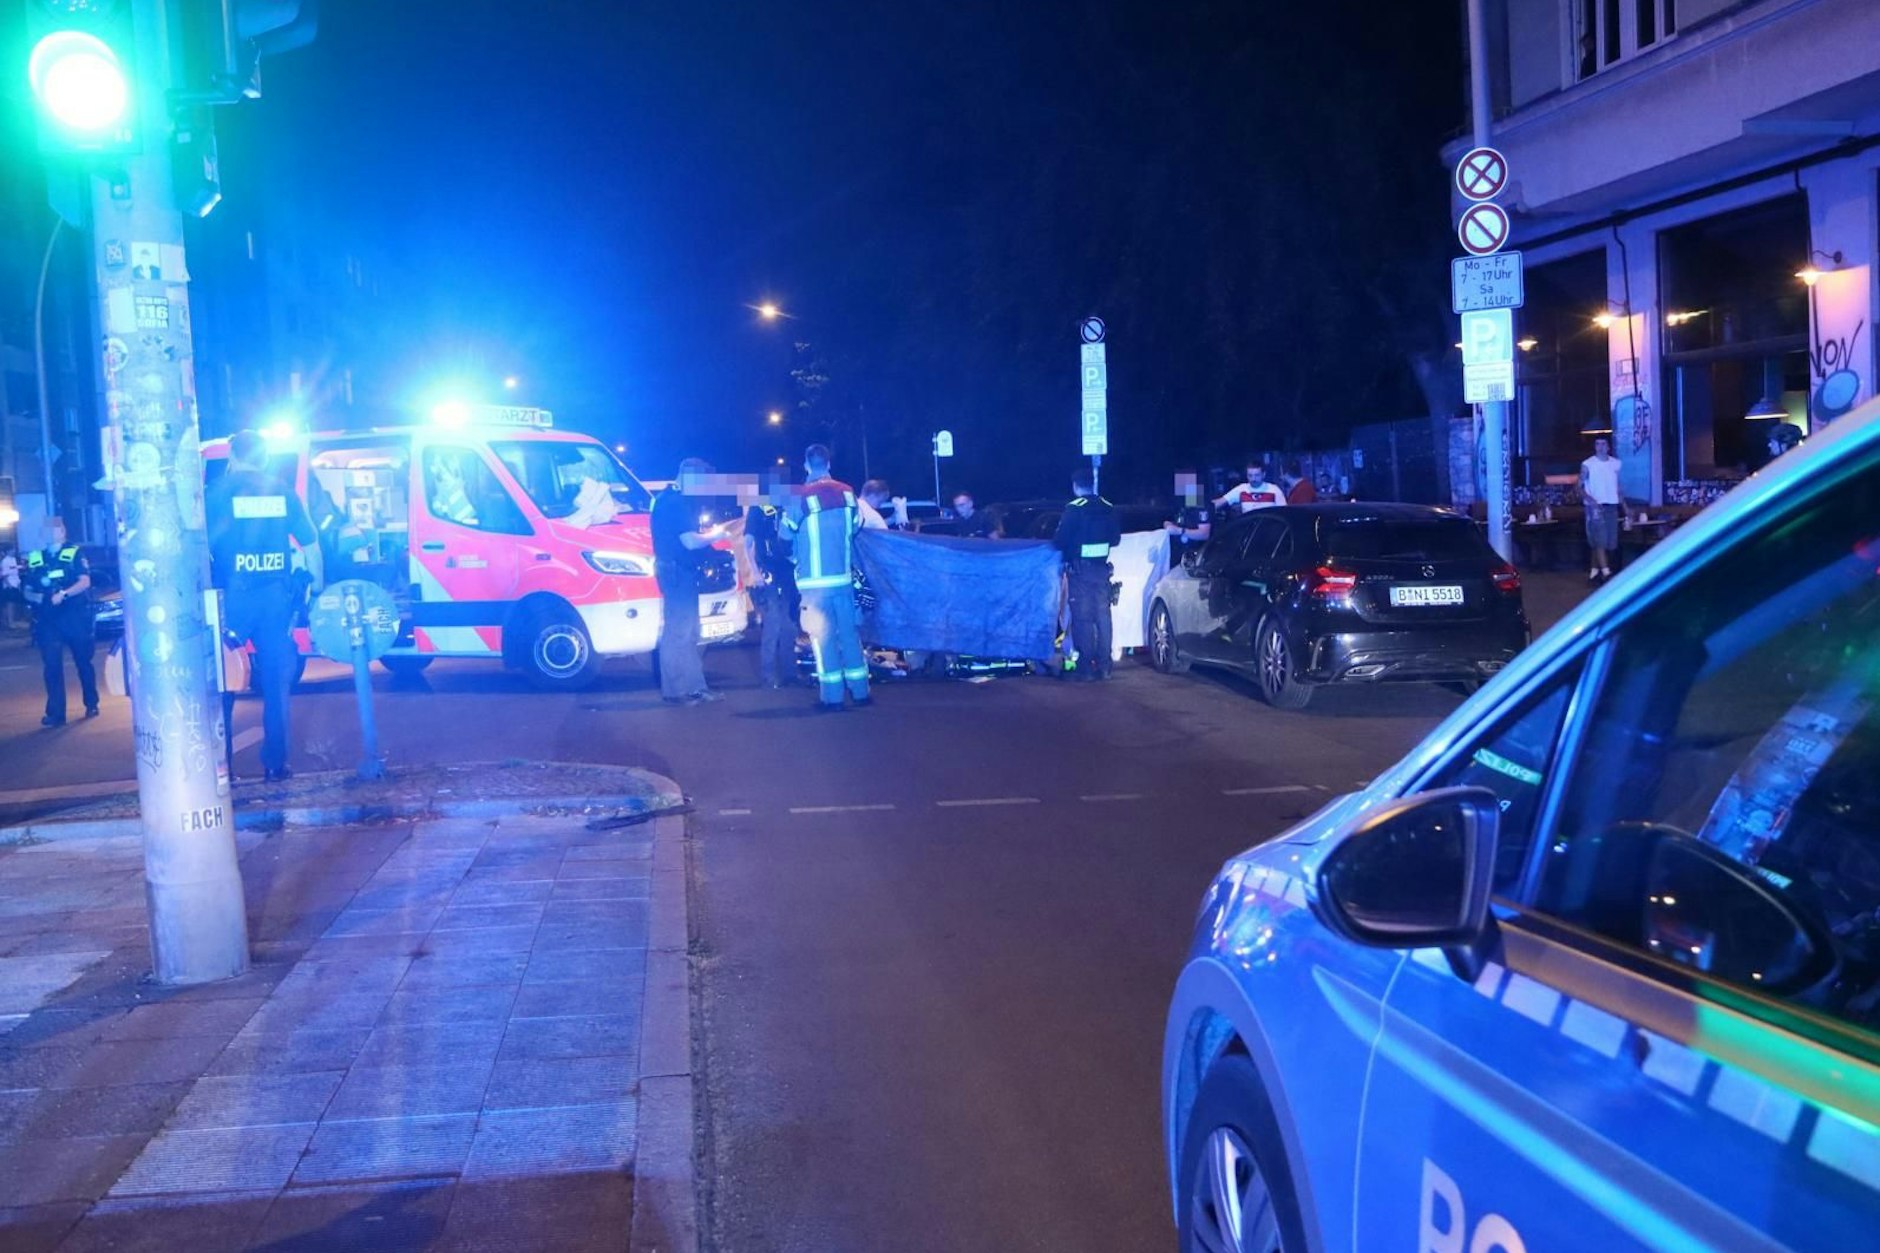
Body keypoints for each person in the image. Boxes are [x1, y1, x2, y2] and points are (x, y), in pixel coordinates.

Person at [207, 433, 324, 778]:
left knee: (223, 682)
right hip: (275, 599)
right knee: (276, 685)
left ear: (232, 455)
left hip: (232, 599)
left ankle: (220, 766)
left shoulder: (215, 493)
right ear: (265, 457)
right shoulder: (283, 492)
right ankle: (276, 765)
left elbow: (197, 548)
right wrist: (316, 590)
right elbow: (311, 546)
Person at [784, 443, 870, 710]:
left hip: (814, 585)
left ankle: (832, 697)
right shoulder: (847, 493)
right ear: (829, 464)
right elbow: (858, 527)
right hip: (842, 580)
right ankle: (861, 692)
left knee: (823, 640)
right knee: (849, 636)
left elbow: (785, 534)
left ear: (807, 466)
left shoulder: (799, 496)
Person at [651, 458, 729, 704]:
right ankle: (675, 692)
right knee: (678, 633)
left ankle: (695, 687)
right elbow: (690, 542)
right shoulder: (674, 503)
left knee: (690, 632)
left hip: (679, 573)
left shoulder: (672, 500)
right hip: (677, 574)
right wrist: (717, 535)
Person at [22, 518, 99, 726]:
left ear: (63, 531)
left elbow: (84, 581)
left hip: (74, 616)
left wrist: (64, 593)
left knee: (83, 662)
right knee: (52, 666)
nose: (51, 532)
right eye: (46, 529)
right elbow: (27, 588)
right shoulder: (36, 557)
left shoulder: (74, 553)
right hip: (49, 619)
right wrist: (36, 597)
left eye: (55, 528)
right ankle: (56, 713)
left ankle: (91, 702)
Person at [1054, 466, 1122, 680]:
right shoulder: (1108, 507)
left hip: (1080, 572)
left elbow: (1060, 540)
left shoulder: (1074, 508)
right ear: (1092, 484)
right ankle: (1105, 666)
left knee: (1082, 618)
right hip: (1102, 571)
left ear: (1075, 486)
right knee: (1103, 617)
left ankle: (1085, 668)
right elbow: (1116, 539)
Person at [742, 485, 800, 689]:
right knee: (773, 622)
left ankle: (790, 674)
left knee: (790, 625)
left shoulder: (790, 505)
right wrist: (755, 571)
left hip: (789, 573)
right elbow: (747, 542)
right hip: (767, 572)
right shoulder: (759, 508)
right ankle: (768, 677)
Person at [1580, 434, 1623, 585]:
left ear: (1608, 446)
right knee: (1600, 540)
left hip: (1611, 505)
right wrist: (1590, 500)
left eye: (1603, 444)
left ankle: (1594, 573)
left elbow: (1617, 487)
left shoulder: (1615, 464)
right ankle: (1606, 573)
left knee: (1609, 543)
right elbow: (1579, 486)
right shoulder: (1588, 464)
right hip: (1595, 507)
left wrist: (1625, 507)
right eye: (1597, 444)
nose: (1600, 447)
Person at [1162, 472, 1212, 560]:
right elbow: (1169, 520)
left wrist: (1180, 531)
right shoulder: (1181, 504)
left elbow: (1204, 534)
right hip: (1178, 552)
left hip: (1197, 554)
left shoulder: (1201, 504)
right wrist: (1168, 525)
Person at [1214, 462, 1285, 514]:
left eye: (1257, 475)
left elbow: (1283, 511)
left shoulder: (1274, 490)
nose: (1253, 479)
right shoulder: (1241, 489)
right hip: (1249, 530)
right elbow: (1221, 501)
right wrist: (1205, 508)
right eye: (1250, 475)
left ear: (1263, 475)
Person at [0, 545, 21, 630]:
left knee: (13, 604)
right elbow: (4, 575)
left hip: (15, 583)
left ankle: (10, 621)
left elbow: (15, 572)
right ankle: (10, 622)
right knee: (9, 604)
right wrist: (8, 585)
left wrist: (18, 583)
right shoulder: (5, 561)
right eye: (12, 550)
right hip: (9, 585)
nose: (14, 551)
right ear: (8, 551)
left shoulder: (14, 559)